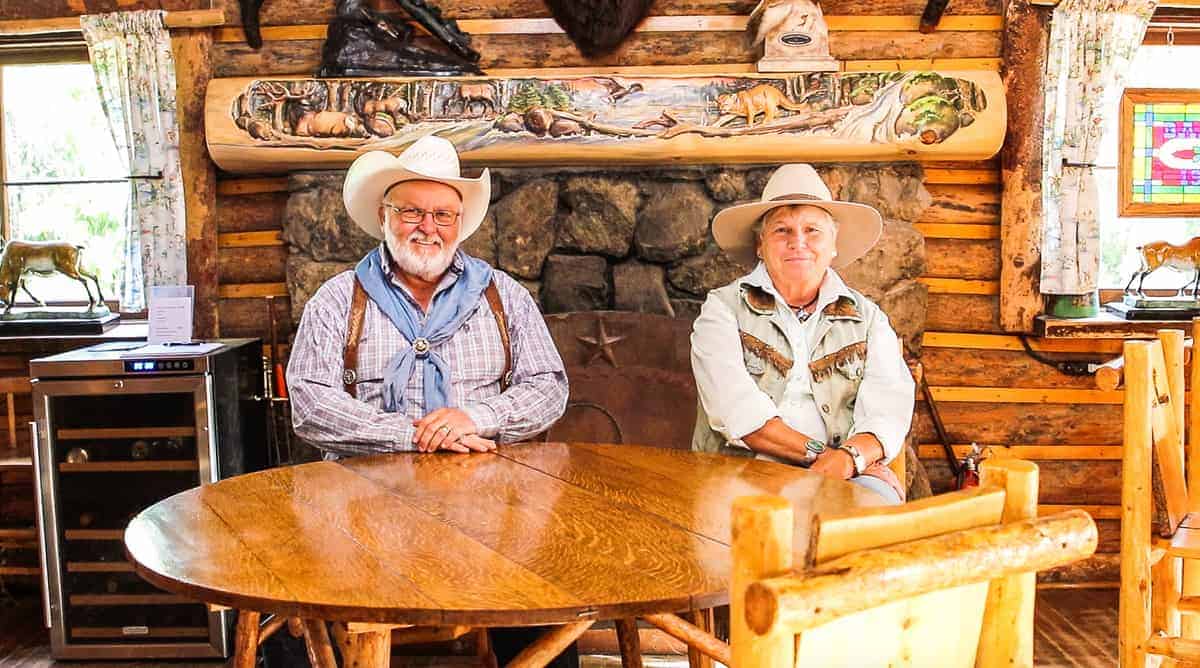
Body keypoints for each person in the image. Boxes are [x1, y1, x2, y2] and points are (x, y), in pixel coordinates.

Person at [284, 135, 574, 666]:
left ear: (460, 223)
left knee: (545, 612)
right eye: (412, 211)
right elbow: (308, 402)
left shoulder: (503, 295)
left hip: (489, 507)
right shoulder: (336, 298)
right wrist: (412, 433)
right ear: (383, 214)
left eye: (443, 214)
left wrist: (476, 418)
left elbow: (549, 386)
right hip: (361, 507)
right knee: (304, 626)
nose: (428, 226)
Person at [690, 163, 914, 504]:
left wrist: (851, 459)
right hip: (743, 470)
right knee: (740, 532)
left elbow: (887, 411)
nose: (798, 242)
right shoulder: (721, 309)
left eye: (812, 230)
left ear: (833, 244)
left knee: (875, 516)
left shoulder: (868, 319)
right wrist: (830, 458)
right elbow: (736, 410)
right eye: (782, 231)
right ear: (760, 245)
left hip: (848, 471)